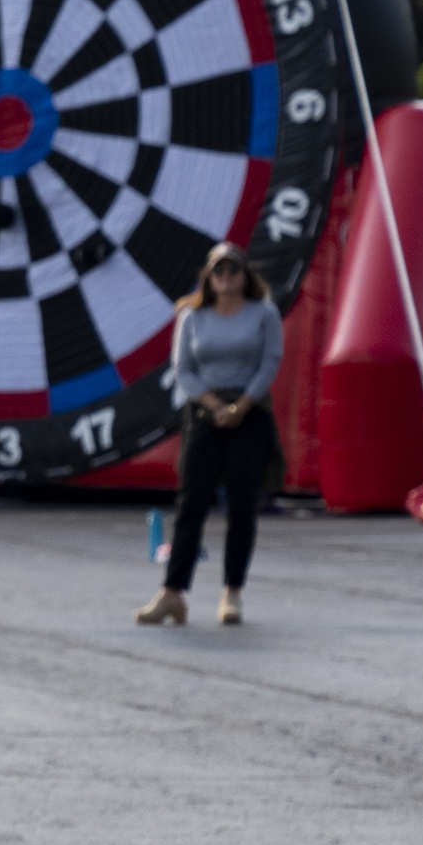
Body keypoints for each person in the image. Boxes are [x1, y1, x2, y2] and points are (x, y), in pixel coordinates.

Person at [142, 245, 283, 629]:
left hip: (249, 412)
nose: (225, 277)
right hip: (205, 412)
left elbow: (270, 362)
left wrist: (241, 406)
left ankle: (232, 592)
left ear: (245, 275)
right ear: (208, 277)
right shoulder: (192, 315)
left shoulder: (263, 313)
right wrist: (215, 405)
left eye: (232, 269)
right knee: (191, 502)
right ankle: (172, 593)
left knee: (241, 506)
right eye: (218, 270)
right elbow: (183, 369)